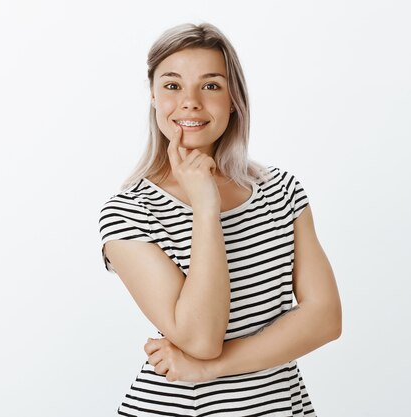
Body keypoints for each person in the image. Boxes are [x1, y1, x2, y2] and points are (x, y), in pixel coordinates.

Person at [98, 22, 342, 416]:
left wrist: (211, 369)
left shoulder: (281, 190)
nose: (190, 102)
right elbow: (199, 338)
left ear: (233, 99)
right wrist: (205, 208)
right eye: (172, 86)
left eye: (210, 85)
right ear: (154, 97)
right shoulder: (129, 212)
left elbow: (325, 318)